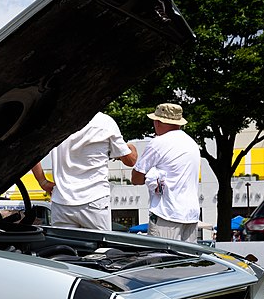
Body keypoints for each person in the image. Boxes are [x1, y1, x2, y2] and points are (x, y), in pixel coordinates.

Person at [31, 112, 137, 230]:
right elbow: (130, 161)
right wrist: (132, 148)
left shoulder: (55, 121)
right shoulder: (105, 122)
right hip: (95, 199)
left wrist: (42, 181)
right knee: (99, 247)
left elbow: (31, 151)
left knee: (64, 247)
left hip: (62, 201)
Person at [130, 103, 201, 242]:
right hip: (190, 215)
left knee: (161, 261)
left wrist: (151, 173)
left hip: (166, 214)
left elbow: (136, 178)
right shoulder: (192, 143)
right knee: (187, 261)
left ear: (159, 122)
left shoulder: (158, 143)